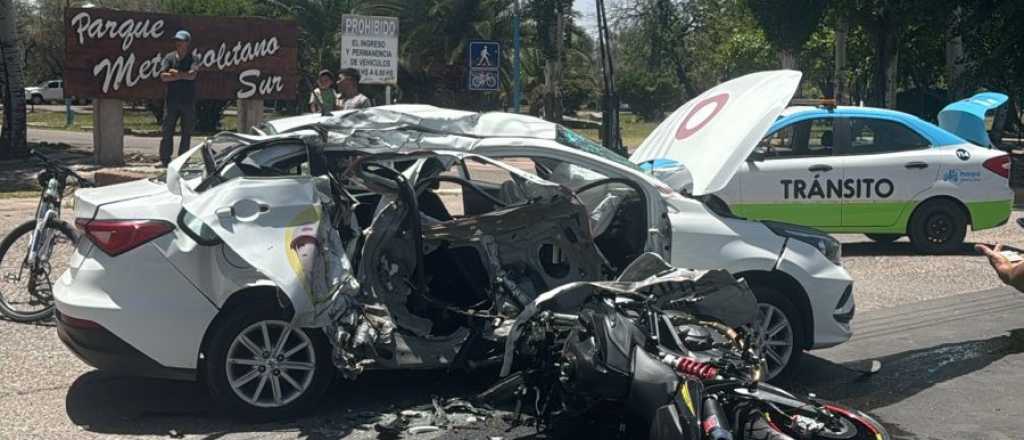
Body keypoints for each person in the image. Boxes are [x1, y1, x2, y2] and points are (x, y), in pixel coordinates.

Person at [158, 30, 198, 167]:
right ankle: (164, 159)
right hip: (171, 101)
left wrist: (175, 74)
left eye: (181, 41)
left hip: (188, 100)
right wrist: (183, 75)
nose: (178, 43)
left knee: (186, 132)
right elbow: (163, 76)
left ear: (187, 43)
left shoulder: (193, 58)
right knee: (167, 130)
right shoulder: (169, 58)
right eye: (177, 41)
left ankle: (183, 160)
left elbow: (192, 75)